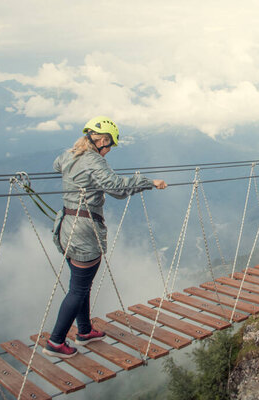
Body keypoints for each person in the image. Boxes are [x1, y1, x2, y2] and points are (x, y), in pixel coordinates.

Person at [44, 116, 167, 358]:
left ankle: (84, 330)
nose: (109, 151)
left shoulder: (69, 155)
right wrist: (149, 182)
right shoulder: (93, 160)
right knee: (78, 289)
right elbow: (118, 189)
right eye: (109, 146)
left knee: (81, 284)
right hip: (84, 231)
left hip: (66, 227)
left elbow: (56, 165)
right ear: (102, 139)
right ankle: (56, 342)